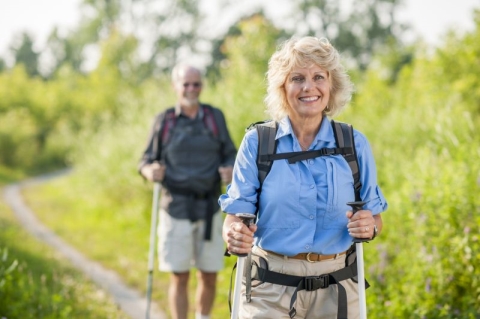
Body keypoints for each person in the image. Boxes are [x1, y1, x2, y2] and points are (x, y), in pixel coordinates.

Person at [219, 36, 388, 319]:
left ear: (331, 85)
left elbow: (375, 219)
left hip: (337, 289)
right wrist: (233, 235)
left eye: (318, 77)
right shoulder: (258, 143)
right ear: (282, 87)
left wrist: (369, 226)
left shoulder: (353, 144)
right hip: (268, 290)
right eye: (297, 78)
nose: (308, 87)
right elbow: (235, 218)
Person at [138, 63, 237, 319]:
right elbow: (145, 160)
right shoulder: (164, 121)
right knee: (179, 276)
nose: (191, 89)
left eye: (196, 84)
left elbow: (230, 153)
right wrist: (150, 172)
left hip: (210, 208)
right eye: (186, 84)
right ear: (176, 86)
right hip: (175, 208)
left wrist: (230, 168)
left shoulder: (215, 117)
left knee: (209, 274)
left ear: (201, 86)